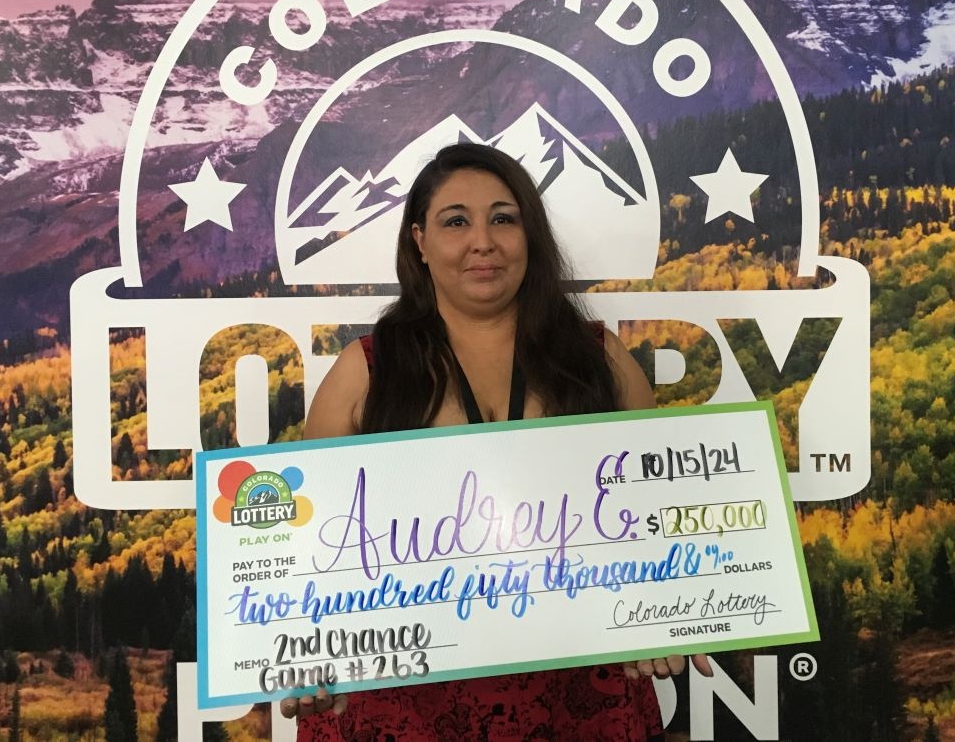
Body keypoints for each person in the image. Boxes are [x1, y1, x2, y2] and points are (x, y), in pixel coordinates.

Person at [283, 142, 709, 740]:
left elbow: (660, 519)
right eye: (455, 221)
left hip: (580, 695)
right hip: (407, 708)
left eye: (503, 219)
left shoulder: (597, 360)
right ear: (419, 243)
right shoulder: (366, 372)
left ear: (529, 238)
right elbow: (306, 554)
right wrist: (303, 653)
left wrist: (665, 619)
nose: (483, 241)